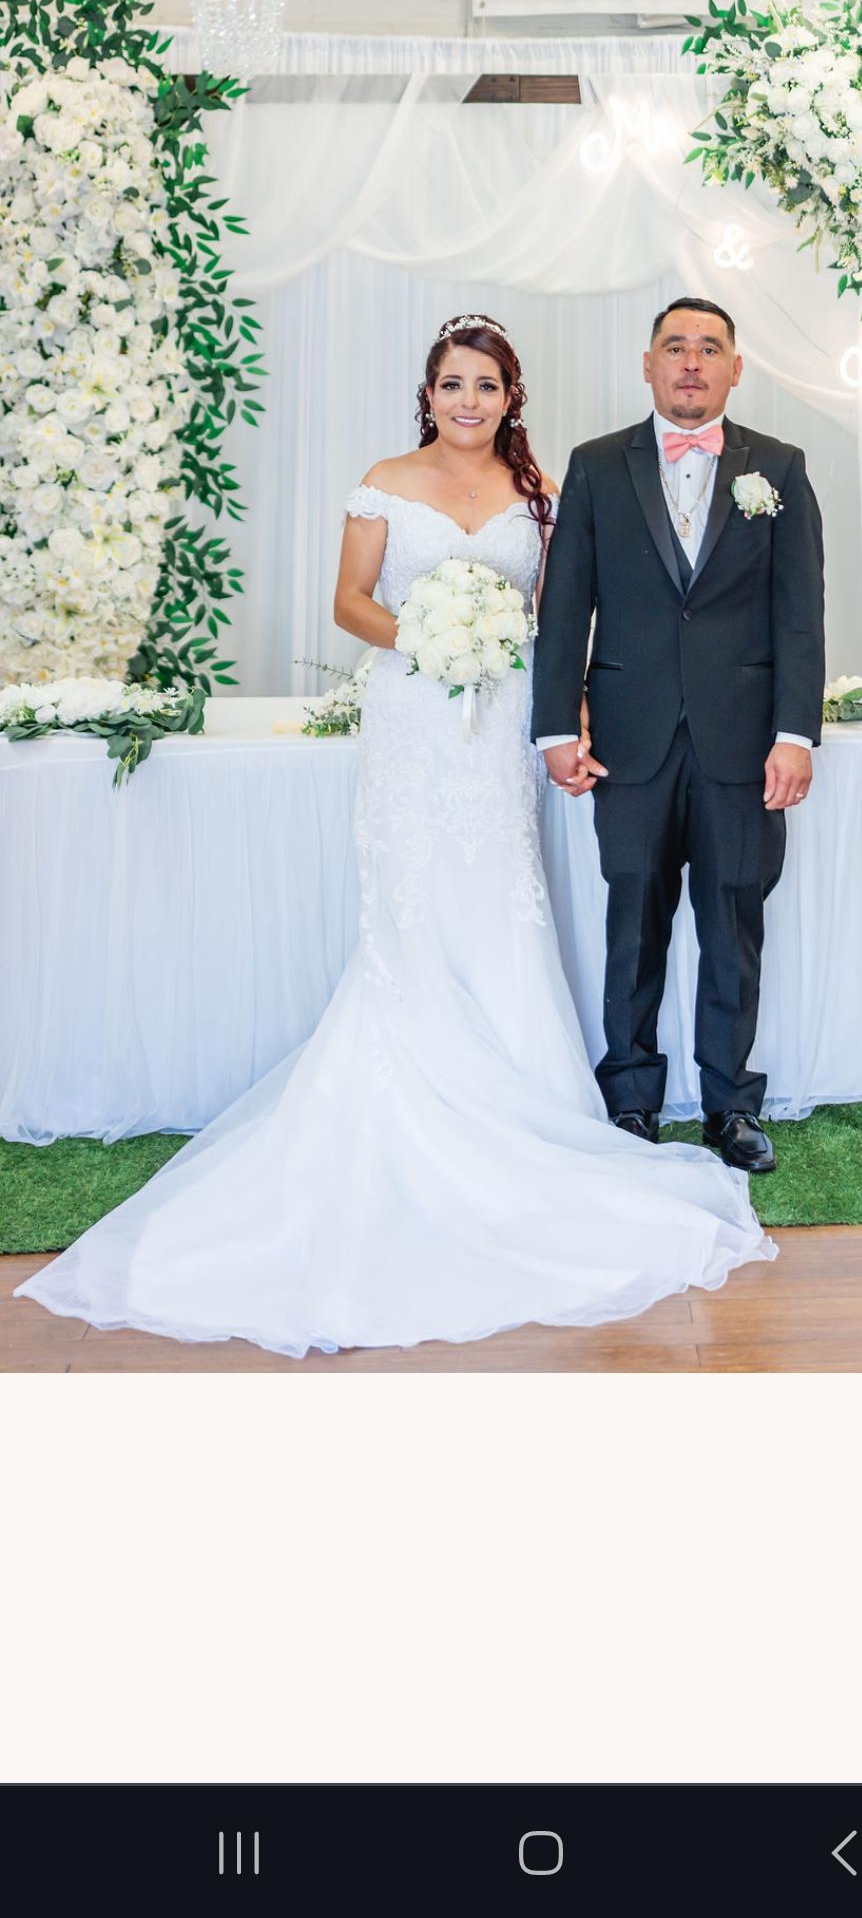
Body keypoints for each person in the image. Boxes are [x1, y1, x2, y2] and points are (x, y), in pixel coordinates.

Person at [15, 317, 775, 1358]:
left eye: (487, 386)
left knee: (500, 897)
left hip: (499, 721)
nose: (469, 401)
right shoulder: (384, 481)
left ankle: (527, 1099)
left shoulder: (542, 492)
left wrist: (555, 696)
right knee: (415, 904)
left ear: (510, 397)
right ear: (430, 394)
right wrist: (432, 635)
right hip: (414, 718)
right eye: (453, 384)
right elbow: (350, 602)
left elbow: (559, 615)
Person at [532, 297, 826, 1172]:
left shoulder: (780, 465)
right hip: (629, 740)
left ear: (736, 367)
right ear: (648, 364)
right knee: (633, 921)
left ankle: (732, 1107)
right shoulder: (595, 465)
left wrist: (795, 733)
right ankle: (631, 1101)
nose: (691, 362)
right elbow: (565, 607)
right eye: (675, 347)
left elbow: (799, 615)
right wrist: (555, 725)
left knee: (733, 921)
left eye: (709, 348)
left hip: (743, 742)